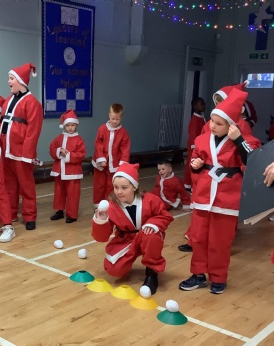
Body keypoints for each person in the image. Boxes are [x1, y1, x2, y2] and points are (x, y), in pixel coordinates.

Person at [178, 88, 258, 295]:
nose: (212, 125)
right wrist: (196, 165)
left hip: (226, 200)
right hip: (203, 197)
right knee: (198, 238)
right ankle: (197, 274)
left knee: (220, 242)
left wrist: (238, 140)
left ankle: (218, 277)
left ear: (231, 126)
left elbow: (252, 162)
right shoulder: (203, 139)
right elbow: (196, 159)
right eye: (212, 121)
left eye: (219, 123)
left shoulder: (244, 140)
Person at [92, 163, 173, 294]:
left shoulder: (150, 200)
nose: (119, 192)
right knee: (114, 270)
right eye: (116, 187)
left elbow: (164, 216)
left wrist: (152, 224)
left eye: (124, 188)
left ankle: (152, 273)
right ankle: (127, 262)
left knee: (151, 236)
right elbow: (101, 237)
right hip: (126, 240)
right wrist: (101, 220)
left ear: (134, 186)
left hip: (146, 236)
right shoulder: (111, 206)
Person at [0, 62, 44, 231]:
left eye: (11, 78)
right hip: (6, 151)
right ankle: (10, 214)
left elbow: (33, 131)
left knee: (26, 186)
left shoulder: (32, 103)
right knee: (9, 186)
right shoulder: (8, 100)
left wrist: (27, 154)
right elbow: (1, 125)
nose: (8, 81)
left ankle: (30, 216)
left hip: (21, 153)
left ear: (21, 80)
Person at [49, 110, 86, 223]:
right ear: (64, 126)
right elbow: (52, 149)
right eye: (68, 125)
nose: (70, 128)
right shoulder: (59, 138)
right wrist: (59, 150)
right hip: (60, 170)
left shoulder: (79, 140)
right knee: (59, 192)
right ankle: (59, 211)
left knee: (73, 194)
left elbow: (81, 154)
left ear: (76, 125)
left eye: (72, 125)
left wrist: (68, 155)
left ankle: (72, 214)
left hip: (73, 172)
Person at [92, 103, 130, 208]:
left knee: (111, 186)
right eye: (113, 118)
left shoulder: (123, 132)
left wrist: (122, 164)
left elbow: (125, 149)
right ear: (109, 115)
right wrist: (101, 159)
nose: (114, 121)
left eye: (117, 119)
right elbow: (98, 144)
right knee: (99, 185)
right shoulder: (102, 129)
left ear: (121, 118)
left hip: (114, 165)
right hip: (101, 164)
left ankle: (109, 206)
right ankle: (98, 206)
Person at [183, 97, 205, 191]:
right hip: (195, 146)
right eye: (201, 104)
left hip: (199, 145)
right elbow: (193, 135)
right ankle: (189, 184)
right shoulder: (195, 119)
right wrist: (194, 147)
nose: (204, 106)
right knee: (192, 164)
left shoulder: (201, 117)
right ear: (195, 106)